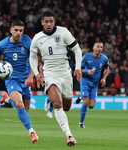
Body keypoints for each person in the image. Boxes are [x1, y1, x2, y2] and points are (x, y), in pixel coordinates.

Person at [29, 10, 82, 147]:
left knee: (67, 107)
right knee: (57, 104)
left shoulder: (64, 32)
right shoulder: (37, 38)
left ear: (54, 22)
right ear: (42, 22)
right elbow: (32, 58)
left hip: (65, 74)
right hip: (50, 74)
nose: (48, 24)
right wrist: (37, 74)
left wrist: (77, 67)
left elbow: (77, 50)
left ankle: (64, 123)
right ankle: (69, 136)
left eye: (51, 21)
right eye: (46, 21)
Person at [0, 20, 38, 143]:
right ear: (11, 30)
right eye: (16, 30)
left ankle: (7, 98)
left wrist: (31, 76)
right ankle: (32, 132)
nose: (18, 33)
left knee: (25, 111)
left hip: (26, 79)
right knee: (19, 104)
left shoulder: (28, 41)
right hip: (11, 79)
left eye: (21, 31)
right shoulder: (2, 44)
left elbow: (35, 59)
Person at [78, 41, 110, 128]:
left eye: (101, 47)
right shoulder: (86, 57)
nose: (99, 49)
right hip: (85, 80)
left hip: (95, 84)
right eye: (98, 47)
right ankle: (81, 123)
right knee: (86, 102)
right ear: (93, 48)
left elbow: (108, 70)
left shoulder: (104, 59)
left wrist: (104, 78)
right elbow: (79, 69)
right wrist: (86, 71)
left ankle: (81, 95)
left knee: (91, 106)